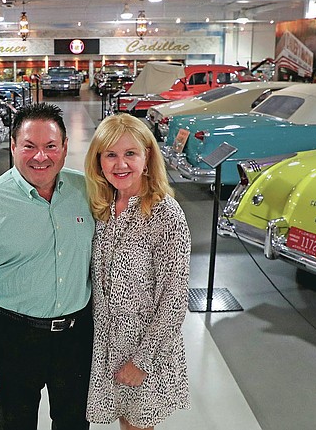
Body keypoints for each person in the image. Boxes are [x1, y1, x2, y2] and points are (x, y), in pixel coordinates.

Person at [0, 102, 96, 430]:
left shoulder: (86, 192)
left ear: (64, 148)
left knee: (75, 424)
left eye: (50, 146)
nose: (40, 157)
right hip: (11, 339)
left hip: (76, 339)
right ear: (13, 146)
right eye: (29, 146)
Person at [84, 113, 191, 430]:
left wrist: (143, 361)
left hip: (144, 350)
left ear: (147, 158)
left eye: (130, 153)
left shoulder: (165, 213)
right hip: (105, 344)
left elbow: (174, 298)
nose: (120, 164)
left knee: (137, 426)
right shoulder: (103, 206)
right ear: (99, 161)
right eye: (111, 155)